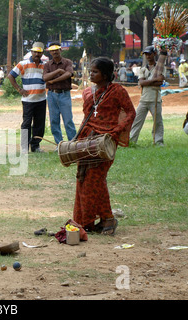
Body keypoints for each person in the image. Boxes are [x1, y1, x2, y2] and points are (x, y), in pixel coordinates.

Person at [73, 57, 135, 234]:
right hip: (87, 139)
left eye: (95, 71)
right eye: (90, 71)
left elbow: (131, 112)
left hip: (106, 141)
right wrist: (76, 139)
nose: (91, 74)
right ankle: (87, 221)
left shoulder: (118, 91)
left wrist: (117, 131)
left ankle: (108, 219)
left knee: (96, 179)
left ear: (106, 74)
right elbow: (86, 118)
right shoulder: (87, 92)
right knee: (83, 178)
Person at [7, 41, 47, 153]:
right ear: (31, 52)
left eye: (39, 53)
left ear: (42, 53)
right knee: (26, 123)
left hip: (41, 99)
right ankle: (24, 147)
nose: (37, 55)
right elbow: (10, 76)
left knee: (39, 124)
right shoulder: (23, 64)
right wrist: (19, 89)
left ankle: (35, 146)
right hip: (28, 100)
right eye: (35, 52)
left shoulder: (45, 65)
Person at [129, 46, 166, 146]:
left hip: (155, 99)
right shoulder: (142, 69)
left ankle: (158, 142)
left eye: (149, 54)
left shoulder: (160, 67)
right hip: (144, 99)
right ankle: (132, 141)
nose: (148, 56)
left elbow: (160, 82)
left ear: (154, 54)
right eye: (146, 54)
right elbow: (141, 83)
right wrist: (154, 80)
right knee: (137, 121)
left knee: (157, 122)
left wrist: (147, 81)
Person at [43, 42, 77, 148]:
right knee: (54, 120)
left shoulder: (67, 62)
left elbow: (68, 74)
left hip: (64, 94)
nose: (54, 52)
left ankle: (73, 144)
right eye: (52, 50)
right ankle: (59, 145)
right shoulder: (47, 64)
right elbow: (45, 78)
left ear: (60, 50)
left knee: (68, 120)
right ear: (50, 52)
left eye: (56, 50)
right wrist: (58, 71)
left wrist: (53, 81)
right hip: (52, 95)